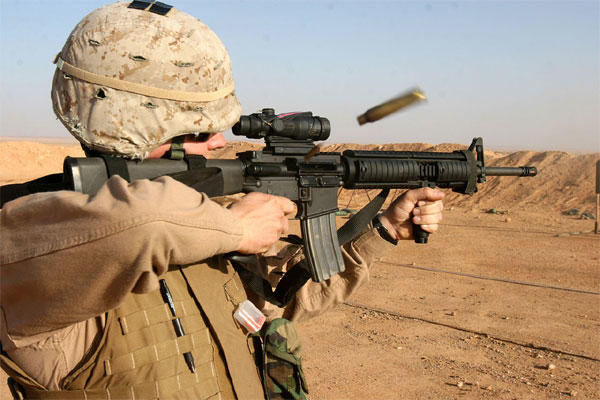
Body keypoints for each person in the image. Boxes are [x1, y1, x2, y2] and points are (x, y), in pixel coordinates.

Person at [0, 2, 444, 399]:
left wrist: (383, 231)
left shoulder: (195, 227)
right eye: (196, 131)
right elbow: (138, 225)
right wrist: (235, 228)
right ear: (133, 129)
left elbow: (273, 306)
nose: (217, 142)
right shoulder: (39, 253)